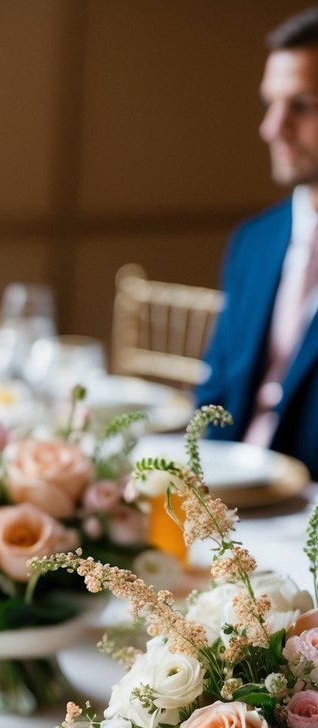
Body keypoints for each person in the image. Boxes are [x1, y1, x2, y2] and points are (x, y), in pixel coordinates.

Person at [197, 6, 318, 477]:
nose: (272, 127)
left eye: (303, 105)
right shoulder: (254, 241)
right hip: (223, 515)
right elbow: (215, 395)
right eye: (272, 103)